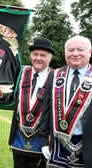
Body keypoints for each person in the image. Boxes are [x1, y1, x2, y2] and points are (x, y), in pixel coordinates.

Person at [40, 35, 92, 168]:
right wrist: (44, 141)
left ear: (89, 52)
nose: (75, 54)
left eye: (80, 49)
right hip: (58, 145)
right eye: (70, 50)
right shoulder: (55, 75)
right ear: (65, 53)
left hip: (88, 145)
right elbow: (46, 110)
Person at [9, 38, 54, 168]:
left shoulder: (56, 77)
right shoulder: (21, 74)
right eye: (35, 54)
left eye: (43, 55)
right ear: (31, 55)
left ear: (50, 58)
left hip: (42, 140)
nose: (38, 58)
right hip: (19, 137)